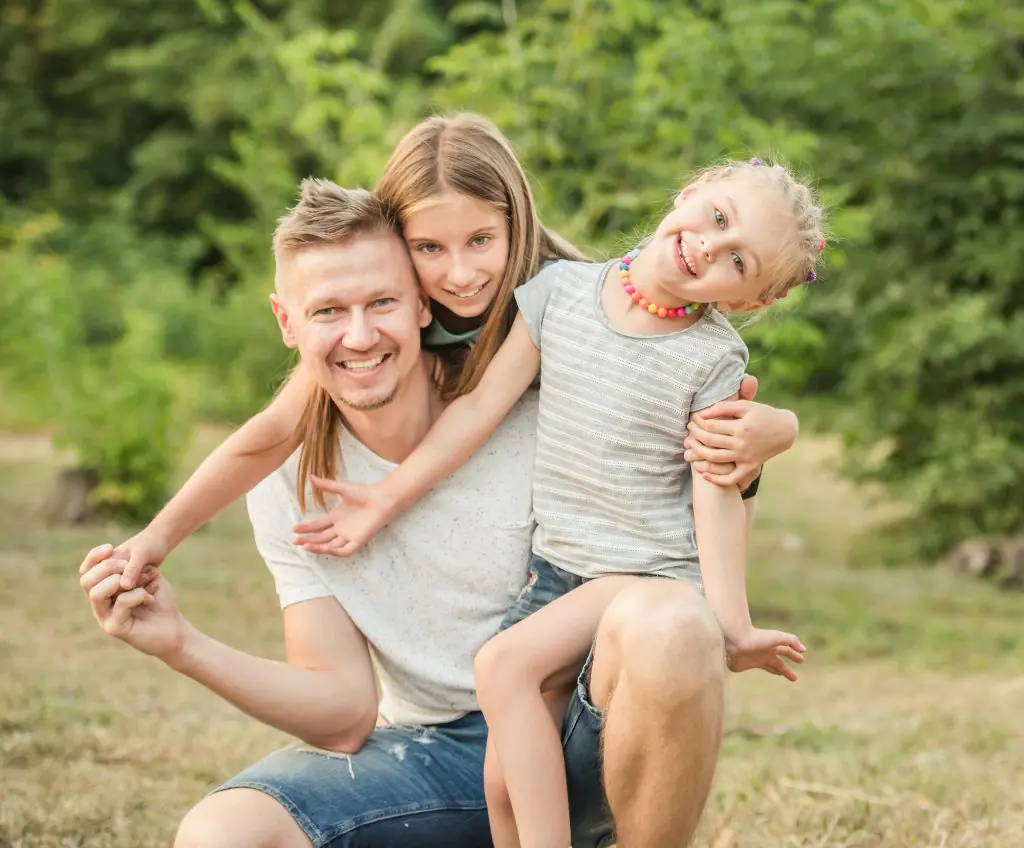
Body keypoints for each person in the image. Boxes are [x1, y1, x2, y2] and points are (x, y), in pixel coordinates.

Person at [85, 178, 724, 848]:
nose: (360, 336)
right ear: (286, 321)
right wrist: (183, 644)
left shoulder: (535, 404)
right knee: (221, 834)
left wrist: (761, 433)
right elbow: (343, 716)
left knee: (671, 620)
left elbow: (681, 410)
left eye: (382, 302)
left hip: (587, 736)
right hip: (439, 755)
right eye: (328, 310)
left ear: (422, 302)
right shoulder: (286, 483)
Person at [288, 156, 825, 848]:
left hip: (643, 574)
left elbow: (716, 485)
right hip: (557, 572)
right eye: (717, 218)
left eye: (738, 261)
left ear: (749, 302)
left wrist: (734, 623)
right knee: (502, 782)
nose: (709, 245)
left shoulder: (709, 358)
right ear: (691, 191)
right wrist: (386, 497)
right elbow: (478, 407)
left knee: (500, 665)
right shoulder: (560, 293)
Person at [112, 113, 798, 592]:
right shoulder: (389, 312)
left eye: (480, 241)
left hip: (621, 558)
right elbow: (274, 429)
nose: (460, 274)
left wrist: (778, 432)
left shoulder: (569, 298)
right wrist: (156, 537)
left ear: (514, 221)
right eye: (428, 248)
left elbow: (691, 427)